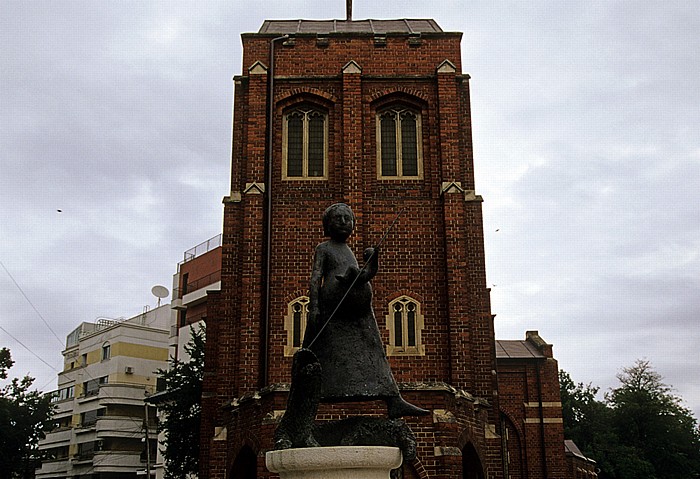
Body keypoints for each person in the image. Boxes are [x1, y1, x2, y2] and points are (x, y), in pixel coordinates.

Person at [302, 203, 428, 418]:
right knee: (318, 357)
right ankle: (304, 405)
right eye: (337, 218)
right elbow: (316, 277)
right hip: (333, 311)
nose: (343, 222)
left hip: (359, 315)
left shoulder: (348, 250)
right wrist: (314, 307)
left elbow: (365, 275)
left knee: (375, 349)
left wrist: (373, 260)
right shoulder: (324, 248)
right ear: (327, 225)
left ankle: (393, 400)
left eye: (347, 218)